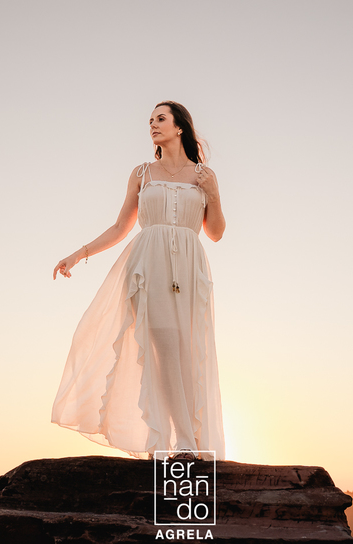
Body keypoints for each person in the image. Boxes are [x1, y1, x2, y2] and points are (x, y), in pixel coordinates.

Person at [51, 101, 226, 460]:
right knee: (164, 347)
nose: (152, 125)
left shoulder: (204, 175)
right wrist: (78, 254)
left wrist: (214, 196)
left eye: (160, 118)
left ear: (180, 127)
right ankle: (180, 446)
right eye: (150, 121)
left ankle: (178, 442)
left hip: (190, 270)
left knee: (188, 351)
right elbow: (120, 227)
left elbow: (216, 232)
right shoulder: (142, 173)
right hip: (149, 265)